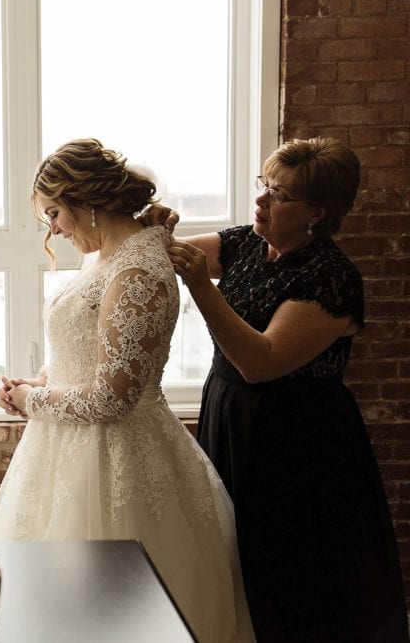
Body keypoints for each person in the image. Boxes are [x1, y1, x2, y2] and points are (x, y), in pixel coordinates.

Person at [0, 138, 255, 642]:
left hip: (116, 459)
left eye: (55, 213)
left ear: (85, 202)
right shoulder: (108, 257)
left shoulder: (140, 271)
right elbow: (87, 354)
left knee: (110, 611)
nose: (54, 230)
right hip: (65, 449)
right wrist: (39, 382)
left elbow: (113, 398)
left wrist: (31, 402)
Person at [153, 137, 408, 641]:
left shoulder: (332, 278)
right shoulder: (246, 242)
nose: (261, 201)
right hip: (230, 417)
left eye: (279, 195)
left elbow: (259, 363)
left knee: (289, 570)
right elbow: (169, 254)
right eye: (263, 186)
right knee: (231, 552)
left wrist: (204, 287)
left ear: (316, 212)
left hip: (297, 441)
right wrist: (151, 230)